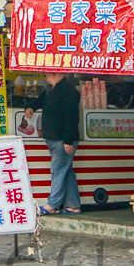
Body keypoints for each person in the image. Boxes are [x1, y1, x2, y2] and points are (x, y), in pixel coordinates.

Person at [40, 73, 82, 214]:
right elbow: (40, 101)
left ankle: (52, 204)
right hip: (56, 138)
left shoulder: (68, 91)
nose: (45, 76)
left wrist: (68, 140)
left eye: (47, 73)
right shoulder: (51, 89)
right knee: (66, 171)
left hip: (62, 139)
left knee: (58, 170)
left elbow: (71, 117)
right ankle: (73, 205)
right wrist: (30, 107)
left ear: (57, 74)